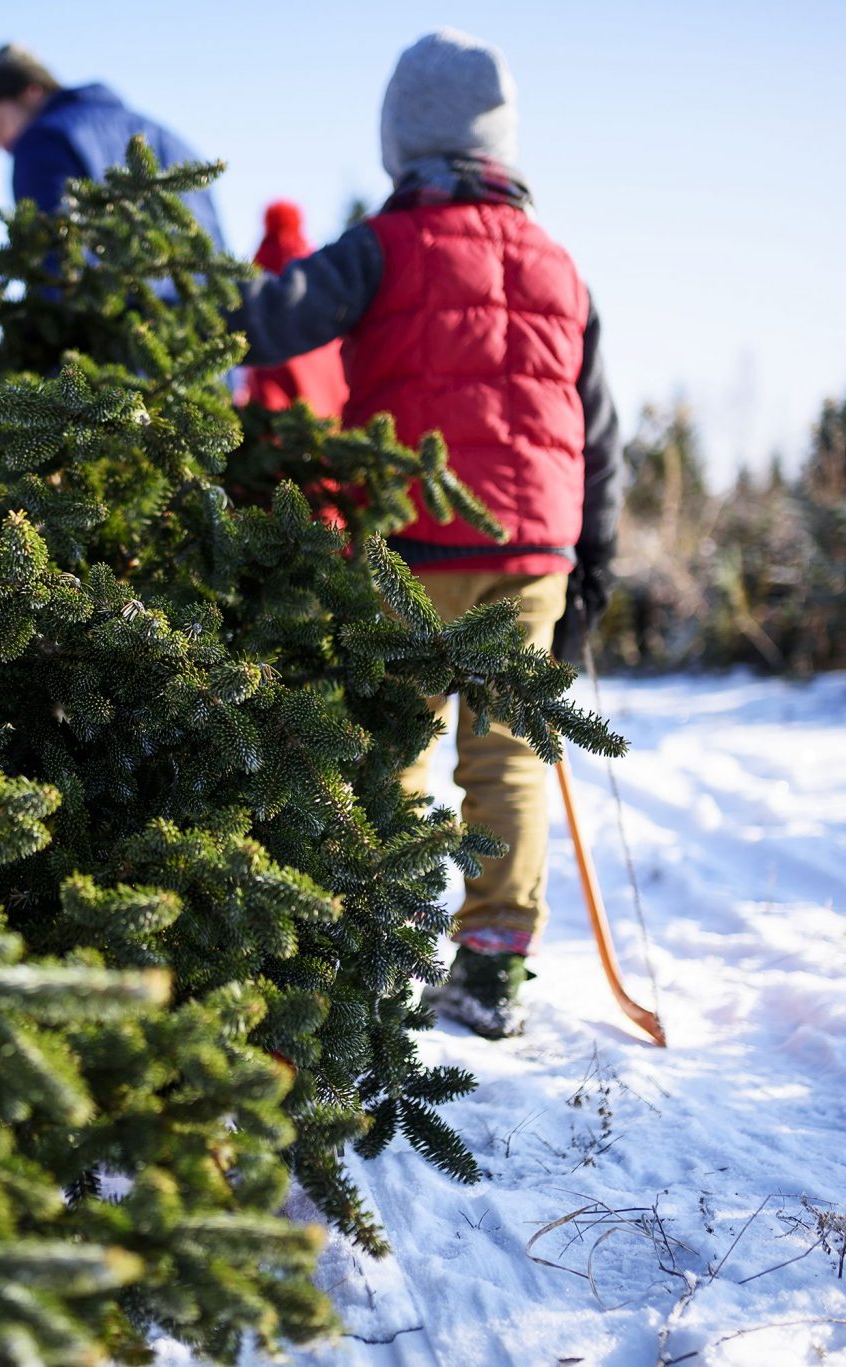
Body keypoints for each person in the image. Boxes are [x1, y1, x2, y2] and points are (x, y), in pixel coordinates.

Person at [228, 29, 624, 1039]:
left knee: (395, 742)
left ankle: (394, 944)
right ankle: (491, 971)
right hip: (532, 552)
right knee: (507, 757)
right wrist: (590, 578)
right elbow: (600, 432)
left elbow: (270, 322)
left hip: (410, 540)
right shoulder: (558, 266)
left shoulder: (383, 244)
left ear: (397, 144)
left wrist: (181, 287)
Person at [0, 43, 225, 248]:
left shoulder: (41, 141)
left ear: (32, 90)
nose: (2, 146)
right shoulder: (168, 138)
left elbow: (54, 254)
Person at [244, 200, 348, 420]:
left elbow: (268, 396)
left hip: (284, 434)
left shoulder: (264, 266)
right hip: (330, 427)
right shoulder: (310, 267)